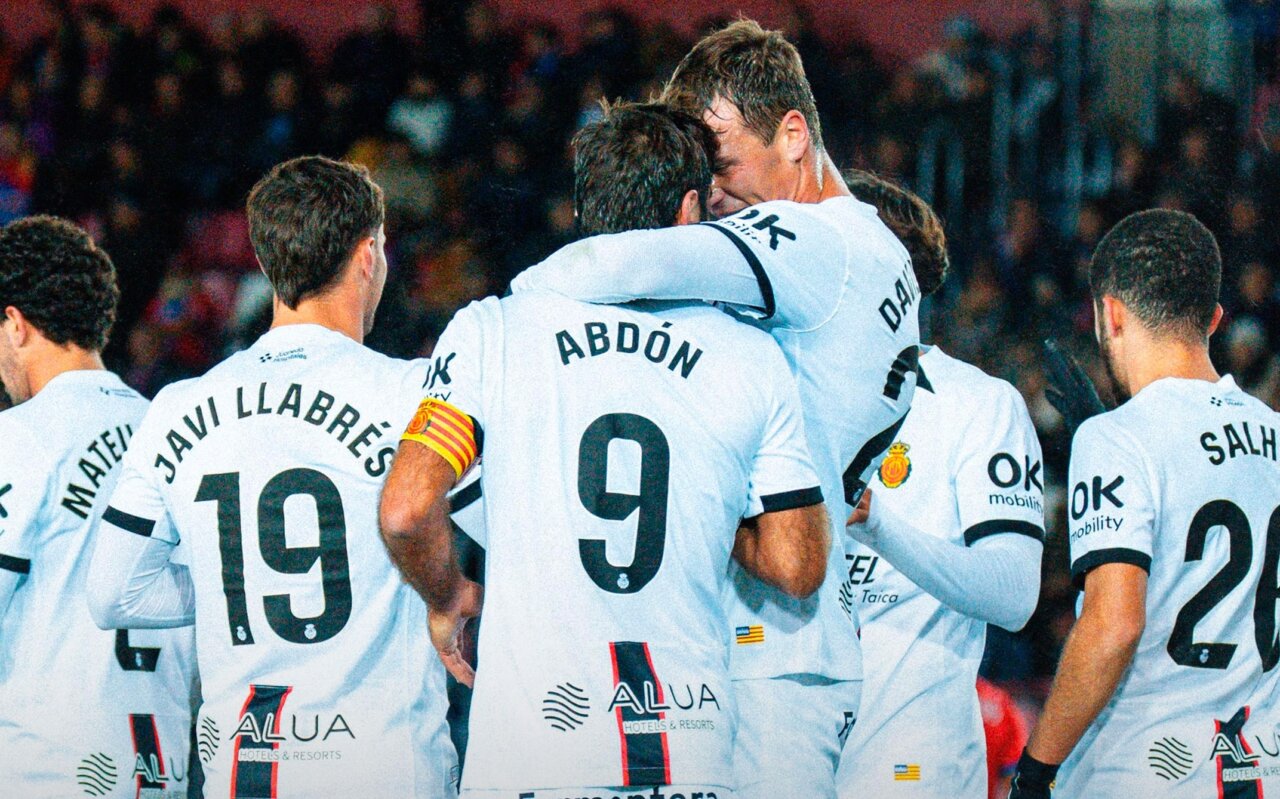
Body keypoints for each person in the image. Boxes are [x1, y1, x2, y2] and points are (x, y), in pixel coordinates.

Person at [510, 21, 921, 797]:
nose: (714, 190)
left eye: (722, 161)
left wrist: (507, 320)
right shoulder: (876, 249)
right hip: (790, 638)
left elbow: (618, 257)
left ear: (794, 134)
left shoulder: (810, 239)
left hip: (770, 648)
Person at [380, 101, 831, 798]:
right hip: (688, 752)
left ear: (585, 210)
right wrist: (704, 504)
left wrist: (446, 596)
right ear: (689, 210)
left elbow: (408, 507)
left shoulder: (494, 331)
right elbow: (798, 566)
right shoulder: (751, 355)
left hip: (532, 756)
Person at [87, 156, 459, 797]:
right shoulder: (415, 395)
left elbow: (112, 594)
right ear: (368, 254)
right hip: (385, 766)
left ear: (266, 262)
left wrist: (230, 579)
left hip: (245, 770)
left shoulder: (179, 406)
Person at [1010, 209, 1280, 797]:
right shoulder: (1275, 433)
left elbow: (1115, 623)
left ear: (1110, 314)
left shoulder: (1117, 439)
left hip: (1141, 768)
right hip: (1256, 771)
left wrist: (1035, 769)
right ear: (1212, 319)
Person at [835, 171, 1044, 796]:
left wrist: (878, 522)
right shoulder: (781, 386)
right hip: (784, 756)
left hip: (910, 766)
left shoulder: (977, 404)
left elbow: (1013, 593)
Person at [0, 215, 195, 797]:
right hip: (163, 768)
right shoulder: (178, 435)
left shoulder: (18, 438)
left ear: (14, 324)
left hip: (41, 771)